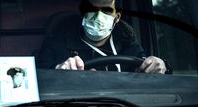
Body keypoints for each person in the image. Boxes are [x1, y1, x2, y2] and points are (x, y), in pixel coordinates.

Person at [37, 0, 168, 74]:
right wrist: (58, 71)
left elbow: (148, 68)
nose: (98, 16)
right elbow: (39, 76)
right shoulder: (55, 44)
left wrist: (161, 66)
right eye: (92, 10)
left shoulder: (127, 42)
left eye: (106, 10)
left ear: (116, 18)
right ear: (83, 15)